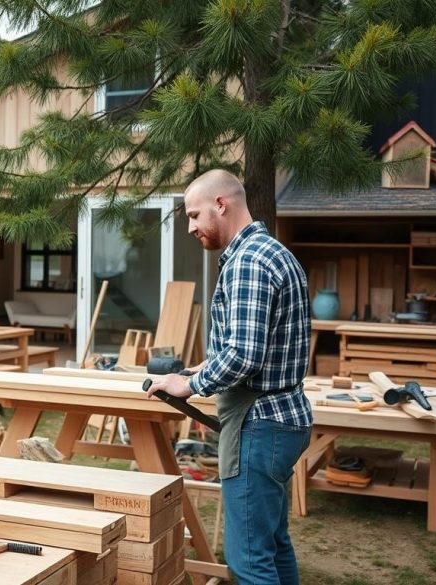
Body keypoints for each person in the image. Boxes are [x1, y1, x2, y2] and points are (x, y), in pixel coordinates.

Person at [145, 169, 313, 584]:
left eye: (195, 215)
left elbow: (244, 353)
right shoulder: (272, 252)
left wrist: (189, 384)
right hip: (283, 416)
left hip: (260, 424)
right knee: (273, 543)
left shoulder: (248, 262)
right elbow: (261, 343)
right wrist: (206, 364)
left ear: (222, 204)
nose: (190, 227)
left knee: (249, 560)